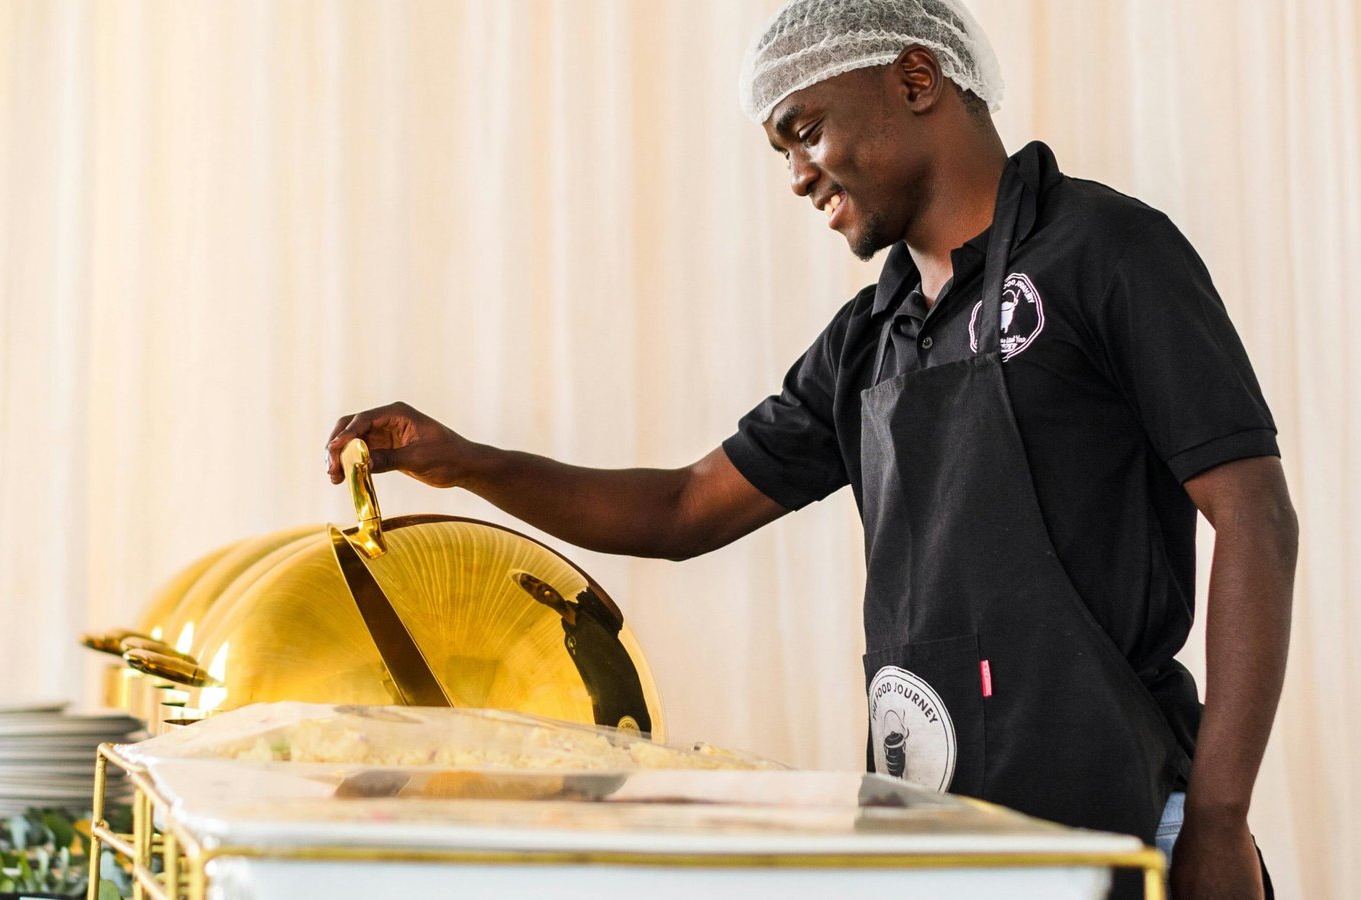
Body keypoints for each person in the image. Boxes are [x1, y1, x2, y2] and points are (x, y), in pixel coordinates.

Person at [325, 2, 1297, 897]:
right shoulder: (864, 344)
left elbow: (1253, 515)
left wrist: (1218, 819)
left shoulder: (1104, 253)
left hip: (1122, 820)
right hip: (934, 833)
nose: (795, 174)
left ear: (915, 79)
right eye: (781, 148)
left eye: (804, 129)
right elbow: (683, 507)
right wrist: (465, 462)